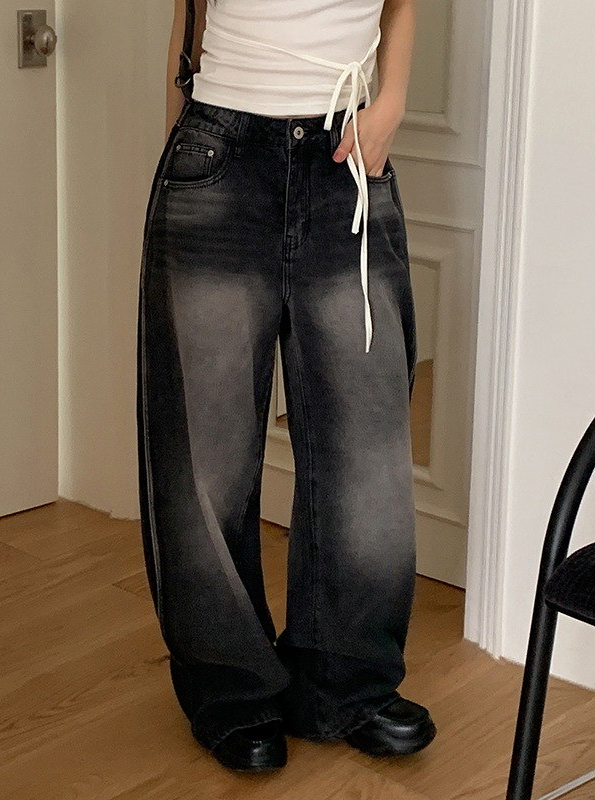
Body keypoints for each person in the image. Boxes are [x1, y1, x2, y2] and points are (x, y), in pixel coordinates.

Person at [136, 0, 436, 772]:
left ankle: (348, 684)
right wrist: (181, 163)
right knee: (206, 459)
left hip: (348, 157)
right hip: (219, 151)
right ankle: (232, 692)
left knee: (365, 452)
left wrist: (392, 105)